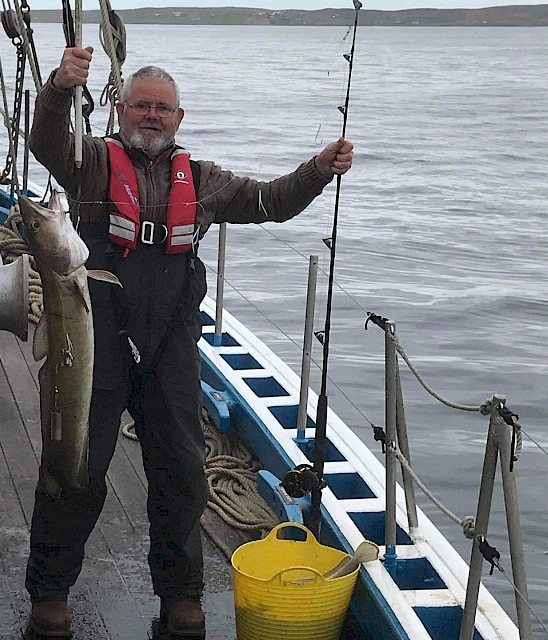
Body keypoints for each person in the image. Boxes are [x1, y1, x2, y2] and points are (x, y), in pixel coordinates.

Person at [25, 45, 354, 639]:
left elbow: (269, 202)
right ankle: (49, 591)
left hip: (170, 346)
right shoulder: (90, 163)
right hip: (97, 340)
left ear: (180, 119)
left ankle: (181, 593)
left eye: (163, 109)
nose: (152, 116)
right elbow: (46, 142)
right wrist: (59, 88)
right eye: (142, 106)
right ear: (121, 110)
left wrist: (317, 170)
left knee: (181, 473)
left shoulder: (202, 181)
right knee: (75, 469)